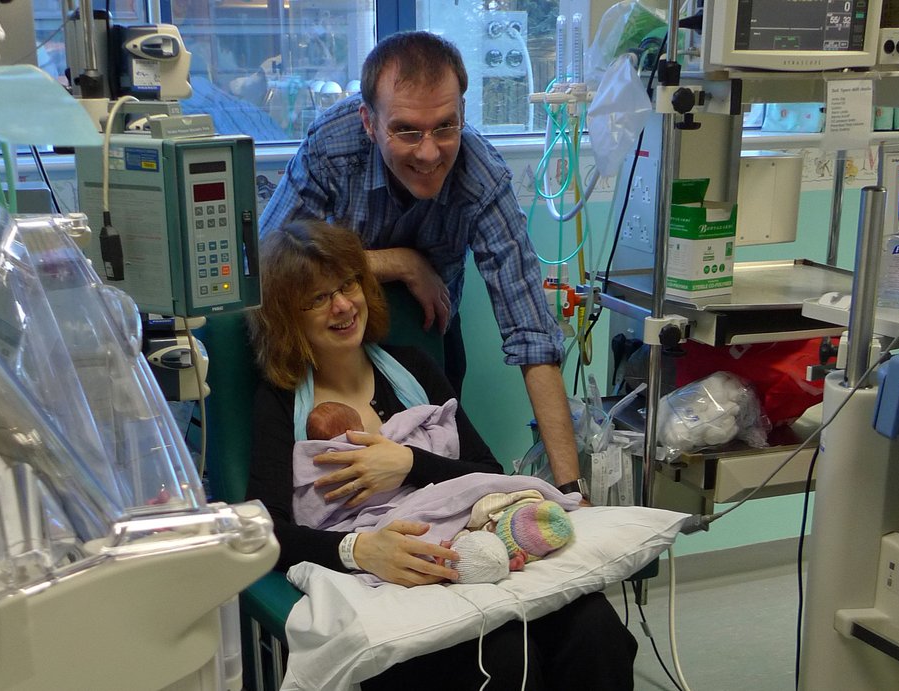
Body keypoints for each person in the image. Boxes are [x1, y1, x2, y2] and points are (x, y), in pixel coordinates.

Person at [246, 219, 636, 690]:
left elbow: (487, 474)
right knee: (503, 658)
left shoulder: (414, 368)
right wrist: (359, 549)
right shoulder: (281, 401)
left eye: (348, 284)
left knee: (597, 629)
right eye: (318, 298)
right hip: (384, 580)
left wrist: (409, 464)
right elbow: (262, 529)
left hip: (470, 548)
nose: (343, 305)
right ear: (288, 317)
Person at [258, 30, 587, 498]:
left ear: (463, 114)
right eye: (407, 131)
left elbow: (532, 333)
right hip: (328, 345)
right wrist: (402, 263)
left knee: (437, 465)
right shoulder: (334, 147)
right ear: (369, 123)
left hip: (430, 327)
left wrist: (571, 489)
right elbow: (269, 264)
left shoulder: (481, 178)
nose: (429, 152)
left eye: (445, 127)